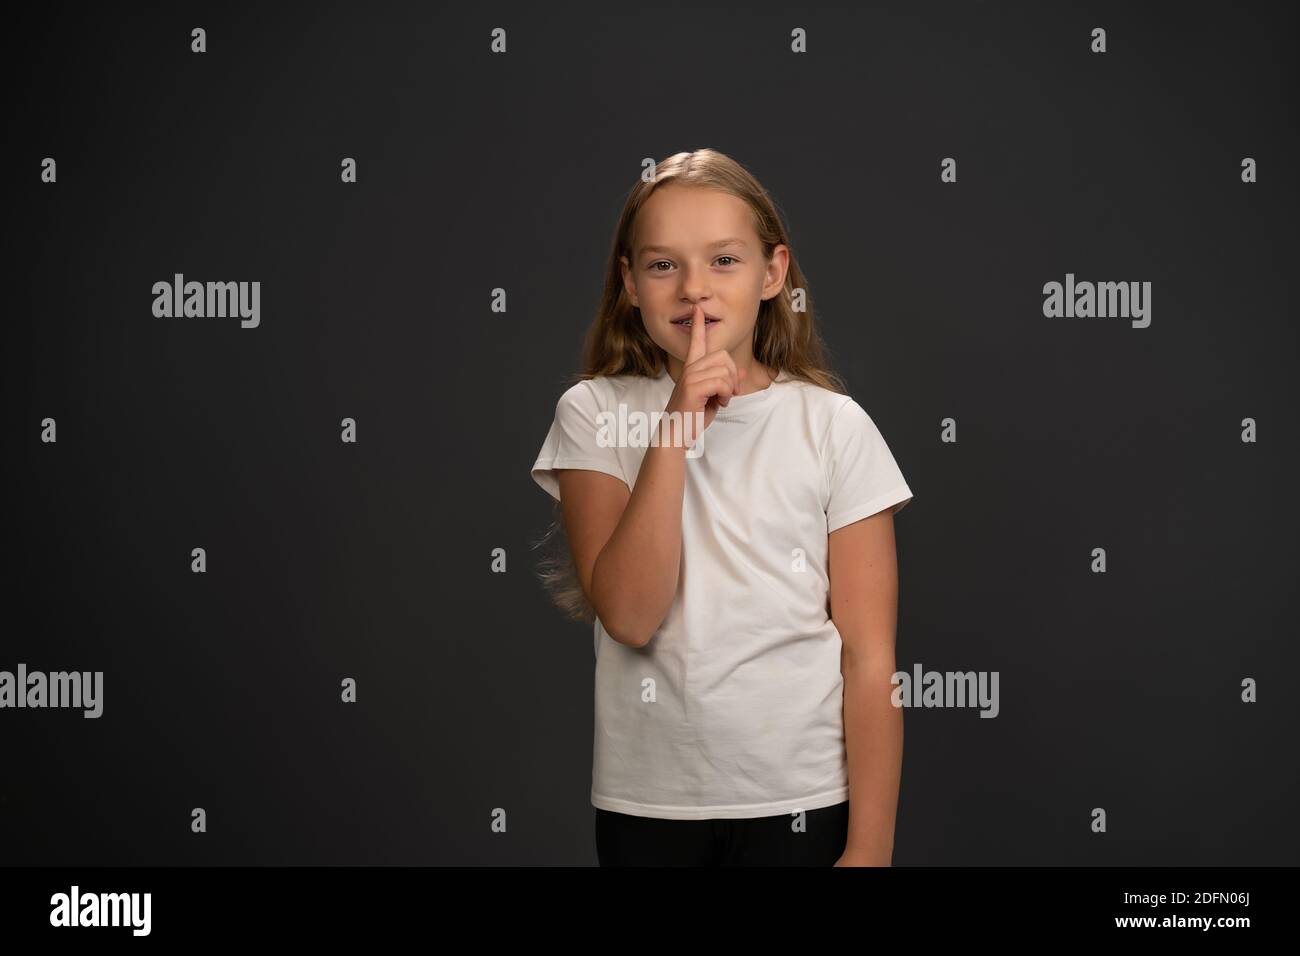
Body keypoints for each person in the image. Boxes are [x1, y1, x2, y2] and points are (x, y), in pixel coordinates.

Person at [530, 148, 913, 866]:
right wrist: (677, 424)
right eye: (664, 264)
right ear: (630, 284)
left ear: (773, 274)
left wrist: (871, 851)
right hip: (650, 811)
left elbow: (869, 659)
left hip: (802, 805)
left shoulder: (834, 427)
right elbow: (632, 614)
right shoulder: (593, 413)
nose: (694, 290)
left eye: (725, 261)